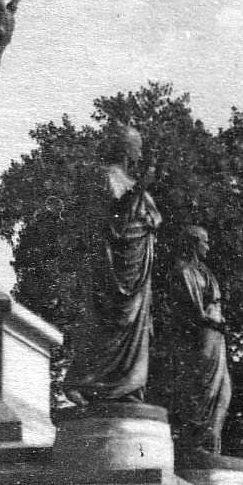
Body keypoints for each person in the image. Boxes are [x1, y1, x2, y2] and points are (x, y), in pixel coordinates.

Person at [66, 125, 160, 404]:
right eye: (137, 147)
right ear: (125, 148)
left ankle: (126, 387)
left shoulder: (131, 181)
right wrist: (141, 188)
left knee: (133, 326)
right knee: (109, 322)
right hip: (114, 265)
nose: (140, 153)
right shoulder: (106, 176)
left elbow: (148, 219)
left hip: (137, 270)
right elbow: (113, 217)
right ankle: (85, 383)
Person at [172, 225, 233, 455]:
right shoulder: (184, 271)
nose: (207, 246)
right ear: (193, 243)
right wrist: (214, 323)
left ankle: (211, 438)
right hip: (204, 335)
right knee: (204, 387)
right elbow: (192, 311)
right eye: (204, 241)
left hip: (216, 335)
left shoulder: (203, 270)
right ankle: (198, 442)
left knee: (224, 389)